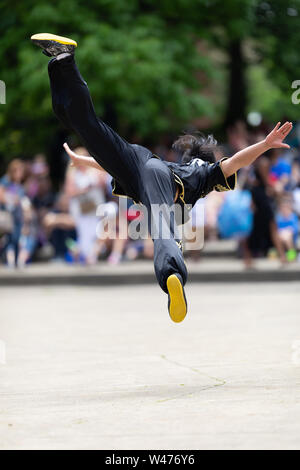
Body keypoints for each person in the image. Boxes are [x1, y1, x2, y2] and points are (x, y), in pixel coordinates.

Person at [31, 33, 293, 322]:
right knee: (163, 230)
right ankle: (173, 276)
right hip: (150, 173)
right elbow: (235, 162)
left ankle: (63, 60)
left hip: (136, 162)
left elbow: (115, 168)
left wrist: (86, 161)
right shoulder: (202, 178)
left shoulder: (187, 176)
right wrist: (264, 145)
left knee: (88, 126)